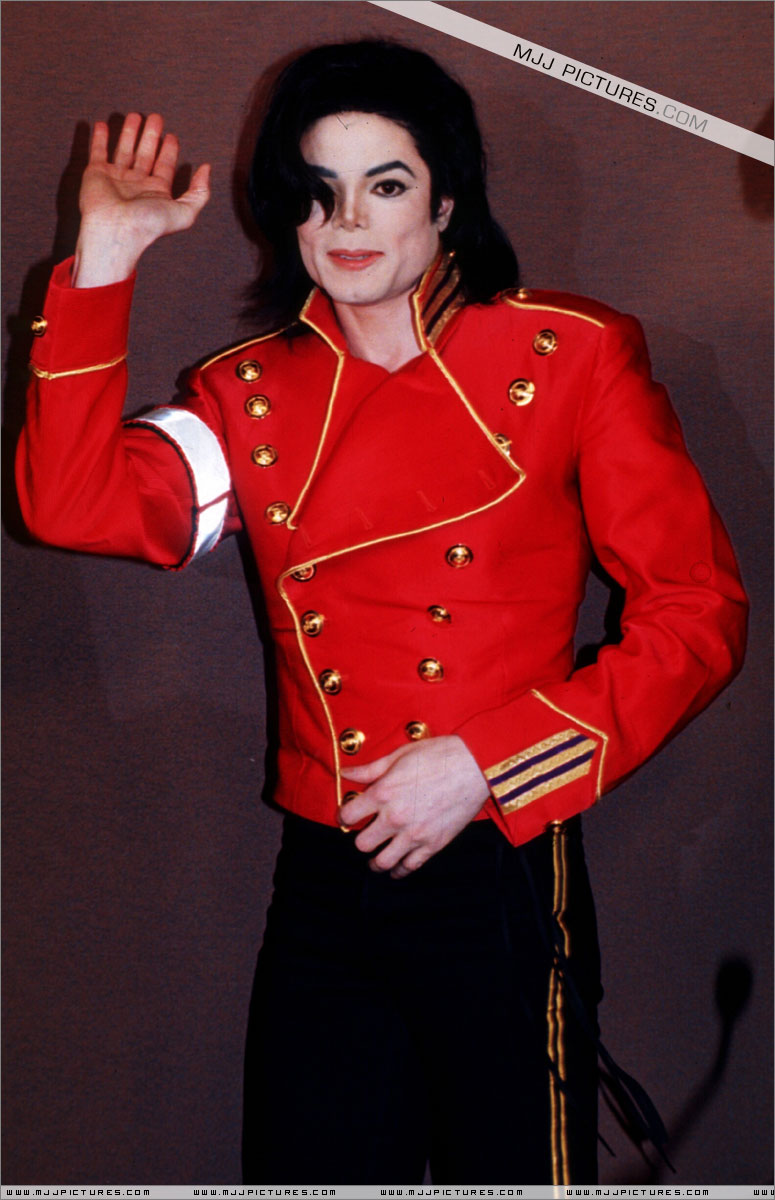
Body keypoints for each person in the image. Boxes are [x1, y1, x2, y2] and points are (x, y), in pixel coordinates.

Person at [15, 39, 747, 1186]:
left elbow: (698, 614)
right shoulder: (249, 393)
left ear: (446, 203)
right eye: (318, 189)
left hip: (499, 855)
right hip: (324, 877)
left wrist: (484, 765)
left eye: (386, 184)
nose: (347, 220)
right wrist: (103, 260)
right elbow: (68, 504)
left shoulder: (568, 357)